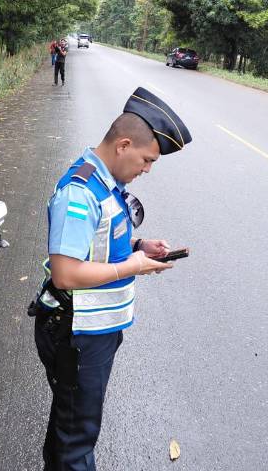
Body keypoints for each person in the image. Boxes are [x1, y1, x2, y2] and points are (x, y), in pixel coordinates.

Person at [30, 87, 192, 470]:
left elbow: (97, 241)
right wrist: (133, 266)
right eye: (147, 159)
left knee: (71, 421)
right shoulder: (80, 192)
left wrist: (139, 244)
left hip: (95, 329)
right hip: (77, 332)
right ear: (123, 145)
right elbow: (66, 272)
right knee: (78, 435)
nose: (148, 169)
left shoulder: (106, 185)